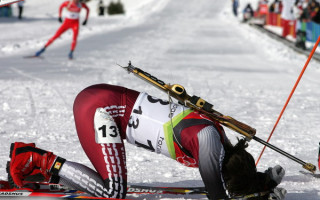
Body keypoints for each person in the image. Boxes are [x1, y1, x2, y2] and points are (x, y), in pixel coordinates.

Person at [7, 84, 287, 200]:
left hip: (102, 103)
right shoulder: (210, 144)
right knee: (114, 192)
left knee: (112, 187)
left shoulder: (220, 144)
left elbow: (226, 182)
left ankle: (43, 169)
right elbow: (217, 193)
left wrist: (262, 183)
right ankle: (37, 158)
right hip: (100, 110)